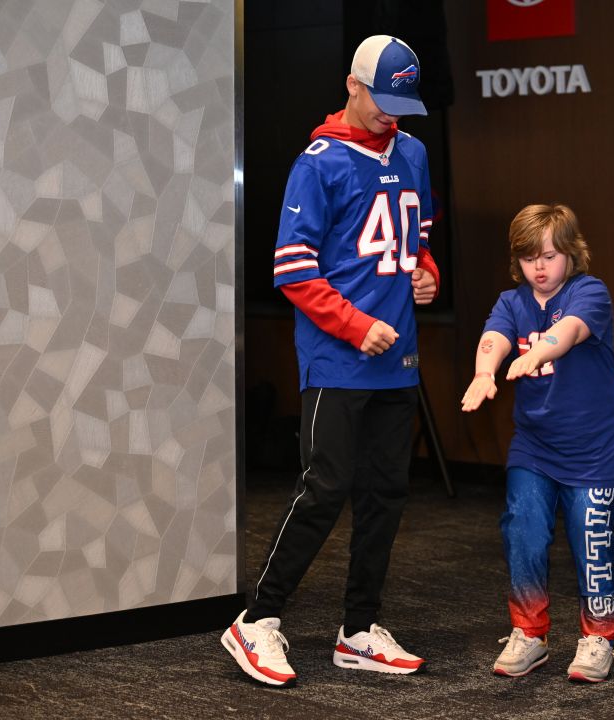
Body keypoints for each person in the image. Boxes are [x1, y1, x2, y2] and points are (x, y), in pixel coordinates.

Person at [221, 35, 439, 687]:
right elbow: (292, 269)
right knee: (324, 489)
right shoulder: (319, 163)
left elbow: (416, 240)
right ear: (352, 85)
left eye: (401, 102)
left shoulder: (415, 153)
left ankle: (358, 630)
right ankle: (256, 621)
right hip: (338, 360)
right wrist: (354, 324)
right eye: (381, 98)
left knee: (385, 496)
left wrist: (426, 275)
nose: (389, 114)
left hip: (397, 360)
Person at [461, 204, 614, 683]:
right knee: (523, 530)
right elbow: (493, 337)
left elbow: (570, 331)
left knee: (591, 542)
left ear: (572, 255)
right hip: (535, 447)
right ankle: (529, 633)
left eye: (551, 255)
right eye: (529, 258)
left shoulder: (589, 291)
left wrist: (537, 351)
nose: (540, 267)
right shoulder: (510, 302)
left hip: (595, 450)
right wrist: (484, 373)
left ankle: (599, 636)